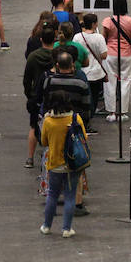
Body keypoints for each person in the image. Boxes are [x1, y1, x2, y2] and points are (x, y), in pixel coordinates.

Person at [39, 92, 86, 239]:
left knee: (52, 194)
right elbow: (84, 138)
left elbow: (44, 141)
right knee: (70, 196)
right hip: (72, 164)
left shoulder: (48, 121)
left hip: (54, 164)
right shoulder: (75, 118)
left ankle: (46, 226)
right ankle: (67, 228)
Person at [101, 0, 131, 122]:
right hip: (126, 54)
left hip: (110, 54)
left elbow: (103, 38)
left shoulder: (107, 21)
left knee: (110, 82)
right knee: (125, 83)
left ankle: (111, 112)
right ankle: (122, 113)